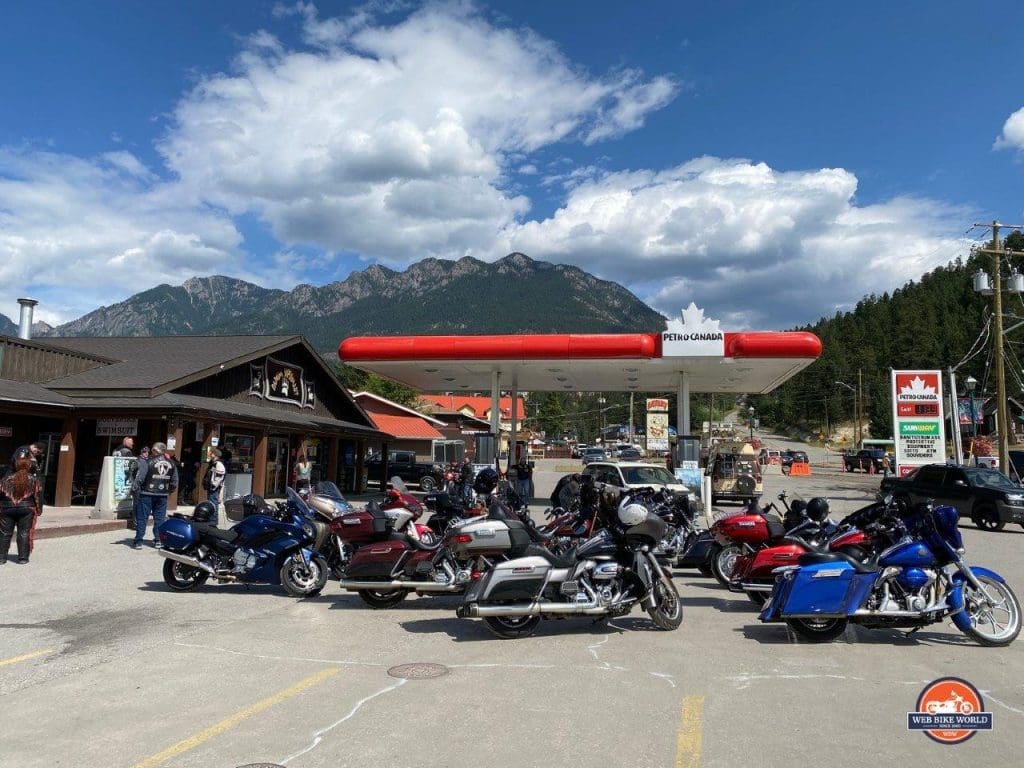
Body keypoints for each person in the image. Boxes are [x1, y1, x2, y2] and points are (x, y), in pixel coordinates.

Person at [130, 442, 178, 550]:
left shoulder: (148, 462)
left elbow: (140, 478)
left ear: (155, 450)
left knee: (142, 518)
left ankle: (138, 541)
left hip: (146, 493)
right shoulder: (171, 463)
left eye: (152, 450)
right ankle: (158, 541)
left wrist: (133, 489)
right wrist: (169, 491)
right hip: (162, 495)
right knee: (160, 519)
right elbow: (175, 481)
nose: (151, 451)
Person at [0, 457, 42, 564]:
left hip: (7, 508)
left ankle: (1, 557)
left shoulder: (5, 479)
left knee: (4, 533)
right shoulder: (33, 479)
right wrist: (39, 509)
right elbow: (37, 496)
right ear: (29, 466)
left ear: (15, 466)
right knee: (24, 533)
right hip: (27, 508)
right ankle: (23, 558)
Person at [203, 447, 226, 520]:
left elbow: (219, 477)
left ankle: (214, 520)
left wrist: (213, 486)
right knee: (211, 503)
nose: (209, 454)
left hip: (214, 489)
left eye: (211, 453)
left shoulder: (219, 464)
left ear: (215, 454)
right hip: (210, 487)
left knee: (213, 504)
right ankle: (211, 518)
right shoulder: (213, 463)